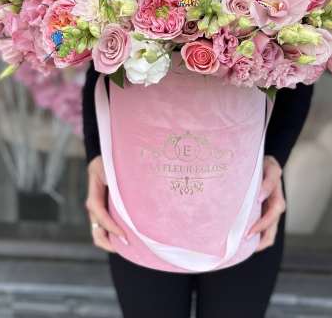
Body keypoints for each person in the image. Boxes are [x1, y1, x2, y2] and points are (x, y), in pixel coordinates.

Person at [82, 65, 313, 318]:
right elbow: (101, 60)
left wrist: (275, 156)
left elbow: (302, 63)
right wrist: (97, 155)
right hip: (141, 195)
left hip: (245, 186)